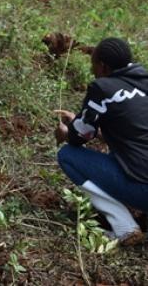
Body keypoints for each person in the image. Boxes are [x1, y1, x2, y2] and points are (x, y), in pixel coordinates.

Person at [55, 37, 148, 245]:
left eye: (93, 65)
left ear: (103, 66)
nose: (92, 71)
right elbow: (131, 132)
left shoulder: (103, 89)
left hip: (144, 189)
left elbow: (78, 137)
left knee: (68, 156)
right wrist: (81, 123)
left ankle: (125, 228)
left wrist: (66, 132)